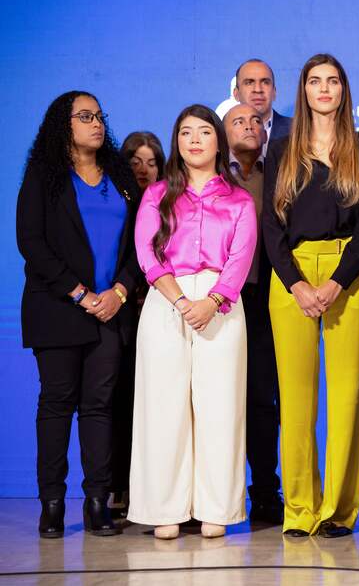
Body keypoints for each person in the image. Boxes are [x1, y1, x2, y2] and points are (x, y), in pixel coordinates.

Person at [263, 53, 359, 538]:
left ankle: (337, 511)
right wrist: (297, 283)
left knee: (348, 397)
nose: (325, 88)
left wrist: (336, 281)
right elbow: (271, 224)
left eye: (333, 80)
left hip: (350, 275)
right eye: (315, 81)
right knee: (294, 399)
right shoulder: (281, 149)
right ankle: (299, 510)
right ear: (304, 90)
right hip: (292, 276)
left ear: (343, 90)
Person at [128, 104, 257, 540]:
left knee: (220, 406)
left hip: (221, 305)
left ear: (219, 141)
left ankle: (216, 506)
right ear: (177, 141)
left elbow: (241, 256)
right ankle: (164, 507)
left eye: (204, 131)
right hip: (167, 301)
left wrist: (214, 300)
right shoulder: (157, 194)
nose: (195, 139)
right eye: (186, 132)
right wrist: (182, 300)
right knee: (162, 404)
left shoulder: (239, 198)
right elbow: (147, 252)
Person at [16, 90, 141, 538]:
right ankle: (51, 503)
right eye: (84, 116)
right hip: (58, 308)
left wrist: (120, 292)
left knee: (98, 408)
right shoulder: (44, 175)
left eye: (99, 115)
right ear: (62, 125)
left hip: (111, 311)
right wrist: (82, 294)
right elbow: (32, 243)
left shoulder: (122, 175)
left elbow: (139, 246)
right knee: (56, 404)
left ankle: (96, 503)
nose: (95, 123)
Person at [223, 103, 284, 524]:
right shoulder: (207, 174)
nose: (249, 126)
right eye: (238, 122)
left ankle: (265, 490)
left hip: (266, 297)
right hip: (217, 301)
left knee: (264, 400)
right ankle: (209, 494)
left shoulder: (280, 170)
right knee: (216, 398)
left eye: (256, 122)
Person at [108, 130, 166, 519]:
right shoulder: (114, 204)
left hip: (159, 311)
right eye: (135, 162)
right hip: (119, 311)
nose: (143, 170)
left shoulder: (166, 202)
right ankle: (117, 486)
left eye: (151, 162)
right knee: (118, 400)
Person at [233, 59, 292, 154]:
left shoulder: (298, 130)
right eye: (249, 82)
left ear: (274, 92)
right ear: (236, 94)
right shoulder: (221, 135)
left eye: (265, 82)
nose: (258, 89)